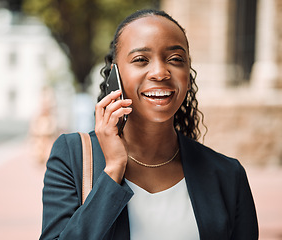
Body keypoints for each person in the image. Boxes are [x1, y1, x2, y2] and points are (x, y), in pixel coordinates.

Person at [40, 9, 258, 240]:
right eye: (141, 60)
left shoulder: (227, 175)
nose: (160, 73)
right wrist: (112, 170)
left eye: (175, 59)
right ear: (115, 74)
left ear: (188, 74)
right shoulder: (73, 156)